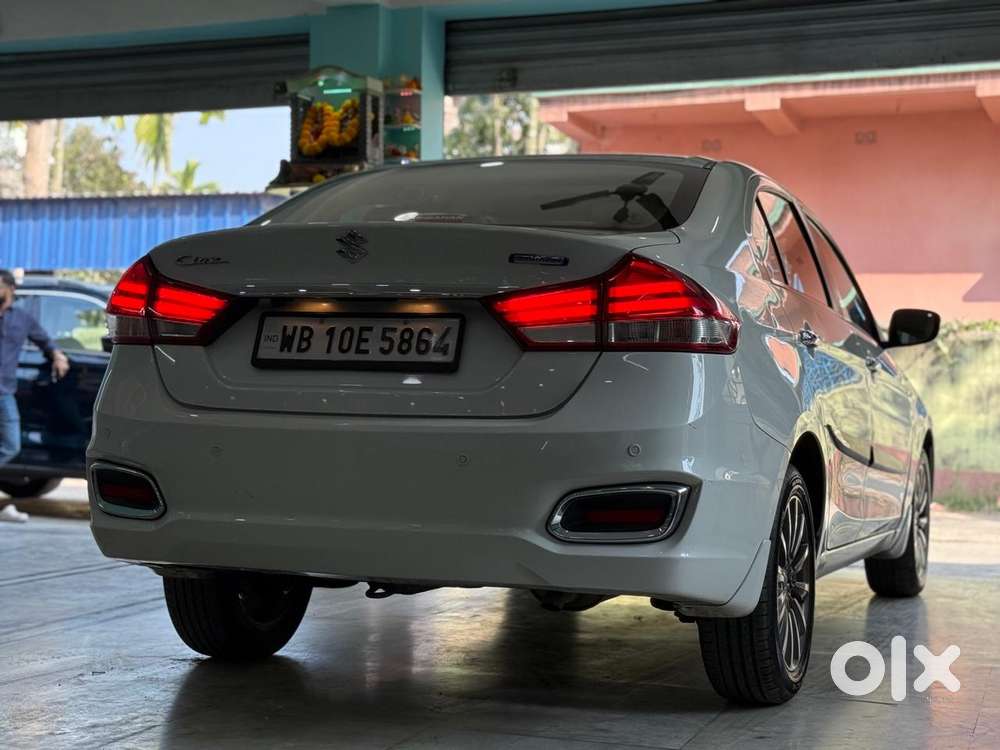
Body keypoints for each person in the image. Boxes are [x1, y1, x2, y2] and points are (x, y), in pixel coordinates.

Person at [0, 269, 69, 522]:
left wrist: (58, 355)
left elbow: (44, 341)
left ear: (10, 289)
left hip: (5, 392)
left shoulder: (22, 318)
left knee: (11, 445)